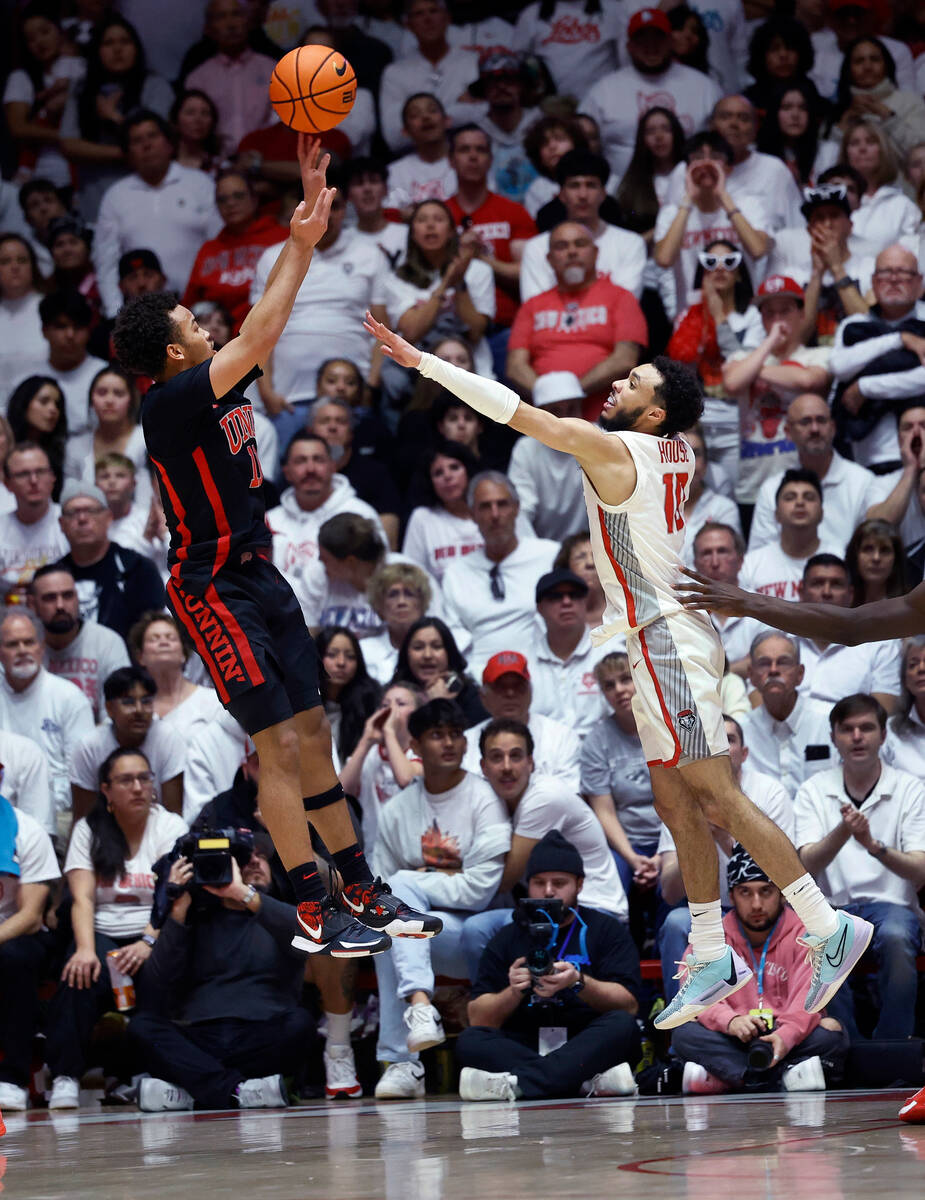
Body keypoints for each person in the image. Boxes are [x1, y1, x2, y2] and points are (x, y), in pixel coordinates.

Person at [364, 310, 865, 1032]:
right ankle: (706, 950)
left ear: (651, 411)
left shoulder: (619, 450)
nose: (616, 382)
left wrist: (424, 364)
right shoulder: (675, 454)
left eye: (632, 380)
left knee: (712, 793)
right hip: (658, 636)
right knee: (672, 800)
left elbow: (517, 412)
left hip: (667, 640)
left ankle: (823, 923)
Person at [111, 137, 436, 959]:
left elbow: (258, 335)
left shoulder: (209, 378)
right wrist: (302, 237)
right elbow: (263, 331)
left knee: (313, 732)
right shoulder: (173, 400)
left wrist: (302, 240)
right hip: (209, 585)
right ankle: (315, 905)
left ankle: (359, 888)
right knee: (276, 749)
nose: (203, 319)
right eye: (191, 321)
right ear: (177, 354)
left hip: (258, 570)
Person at [371, 699, 509, 1100]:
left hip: (475, 933)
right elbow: (380, 895)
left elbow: (480, 890)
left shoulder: (484, 798)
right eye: (436, 735)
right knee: (385, 925)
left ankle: (406, 1046)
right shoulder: (395, 811)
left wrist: (411, 880)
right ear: (414, 745)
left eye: (455, 734)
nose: (449, 743)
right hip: (418, 937)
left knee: (397, 900)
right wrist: (430, 880)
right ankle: (405, 1060)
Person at [44, 747, 188, 1110]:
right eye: (126, 780)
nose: (138, 787)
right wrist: (86, 949)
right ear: (106, 790)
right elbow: (82, 899)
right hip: (102, 931)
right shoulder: (88, 829)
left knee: (159, 977)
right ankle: (65, 1076)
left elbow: (174, 896)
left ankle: (140, 1073)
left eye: (144, 778)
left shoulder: (170, 826)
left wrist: (148, 941)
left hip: (156, 932)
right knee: (79, 975)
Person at [128, 839, 315, 1112]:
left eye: (260, 855)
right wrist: (177, 910)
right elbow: (156, 985)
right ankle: (239, 1091)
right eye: (242, 858)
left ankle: (194, 1092)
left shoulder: (280, 915)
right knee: (141, 1027)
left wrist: (244, 894)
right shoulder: (195, 918)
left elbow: (307, 934)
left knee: (302, 1024)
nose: (253, 861)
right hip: (199, 1039)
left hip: (262, 1036)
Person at [456, 829, 641, 1102]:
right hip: (528, 1042)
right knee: (469, 1041)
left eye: (559, 882)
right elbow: (478, 1017)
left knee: (624, 1027)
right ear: (527, 885)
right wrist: (513, 991)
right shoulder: (508, 937)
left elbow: (629, 1005)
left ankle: (519, 1084)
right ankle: (581, 1082)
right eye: (539, 882)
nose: (549, 891)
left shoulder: (604, 930)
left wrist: (578, 981)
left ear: (579, 884)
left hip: (585, 1040)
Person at [794, 694, 925, 1041]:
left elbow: (920, 871)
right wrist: (844, 832)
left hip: (893, 907)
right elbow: (805, 864)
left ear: (883, 735)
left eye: (866, 728)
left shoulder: (911, 788)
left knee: (897, 937)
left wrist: (872, 846)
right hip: (832, 909)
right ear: (834, 736)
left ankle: (893, 1048)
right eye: (847, 729)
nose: (856, 736)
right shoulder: (813, 789)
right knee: (818, 942)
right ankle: (846, 1048)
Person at [671, 846, 848, 1095]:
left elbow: (811, 1001)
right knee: (684, 1034)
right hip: (734, 1034)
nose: (756, 904)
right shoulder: (712, 936)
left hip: (785, 1035)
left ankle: (732, 1078)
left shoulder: (807, 934)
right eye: (745, 893)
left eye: (766, 891)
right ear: (731, 896)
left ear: (782, 894)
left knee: (831, 1032)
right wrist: (730, 1021)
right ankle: (785, 1077)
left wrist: (785, 1037)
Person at [250, 190, 390, 438]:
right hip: (288, 400)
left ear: (345, 210)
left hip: (352, 397)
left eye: (333, 206)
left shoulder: (370, 255)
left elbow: (383, 329)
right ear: (301, 210)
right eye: (317, 206)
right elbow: (258, 331)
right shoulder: (273, 258)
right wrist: (266, 391)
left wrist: (372, 384)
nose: (325, 213)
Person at [508, 222, 648, 425]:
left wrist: (570, 391)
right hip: (546, 424)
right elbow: (515, 366)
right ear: (549, 258)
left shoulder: (621, 297)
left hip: (605, 423)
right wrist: (551, 396)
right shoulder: (532, 305)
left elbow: (625, 359)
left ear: (595, 252)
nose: (572, 251)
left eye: (580, 244)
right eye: (562, 246)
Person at [93, 110, 222, 319]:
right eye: (137, 140)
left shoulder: (200, 184)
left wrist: (214, 304)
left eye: (152, 136)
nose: (146, 145)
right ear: (128, 153)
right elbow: (106, 261)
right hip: (143, 315)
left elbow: (220, 245)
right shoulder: (116, 196)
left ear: (170, 144)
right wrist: (114, 314)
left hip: (201, 310)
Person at [722, 278, 832, 515]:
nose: (777, 320)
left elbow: (807, 380)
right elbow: (731, 383)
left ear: (802, 314)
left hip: (804, 482)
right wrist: (770, 341)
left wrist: (751, 371)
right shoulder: (742, 356)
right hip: (752, 483)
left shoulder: (818, 355)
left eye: (785, 311)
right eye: (769, 313)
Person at [580, 7, 721, 179]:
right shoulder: (603, 91)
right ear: (629, 47)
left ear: (670, 42)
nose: (651, 46)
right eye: (642, 40)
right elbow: (579, 144)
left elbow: (724, 143)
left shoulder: (704, 87)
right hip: (623, 196)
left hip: (693, 189)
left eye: (658, 38)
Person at [58, 13, 175, 222]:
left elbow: (159, 147)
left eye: (125, 42)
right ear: (97, 50)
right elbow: (69, 146)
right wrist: (129, 152)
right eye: (109, 43)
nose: (117, 49)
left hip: (147, 197)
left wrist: (114, 118)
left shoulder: (156, 86)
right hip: (95, 199)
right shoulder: (82, 90)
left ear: (136, 48)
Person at [666, 239, 762, 490]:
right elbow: (679, 370)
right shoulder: (687, 317)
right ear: (702, 271)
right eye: (711, 262)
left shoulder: (752, 318)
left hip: (738, 425)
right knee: (694, 492)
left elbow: (740, 365)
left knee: (737, 496)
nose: (720, 268)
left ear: (739, 273)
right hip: (699, 425)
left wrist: (719, 317)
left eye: (729, 262)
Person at [441, 472, 558, 672]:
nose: (495, 515)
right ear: (472, 515)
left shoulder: (550, 556)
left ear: (516, 509)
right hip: (479, 676)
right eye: (485, 507)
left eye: (502, 504)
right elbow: (453, 635)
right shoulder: (456, 573)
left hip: (543, 669)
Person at [829, 244, 925, 471]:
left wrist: (866, 386)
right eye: (885, 272)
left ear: (919, 282)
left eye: (903, 272)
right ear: (872, 282)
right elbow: (839, 367)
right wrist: (899, 339)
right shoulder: (854, 326)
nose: (893, 280)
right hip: (867, 459)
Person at [748, 394, 882, 556]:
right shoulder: (772, 489)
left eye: (821, 420)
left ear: (833, 427)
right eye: (805, 422)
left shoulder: (864, 482)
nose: (814, 429)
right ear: (788, 432)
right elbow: (759, 557)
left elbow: (872, 550)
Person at [654, 132, 769, 317]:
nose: (706, 164)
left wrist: (723, 197)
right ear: (686, 169)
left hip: (743, 318)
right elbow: (664, 259)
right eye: (698, 157)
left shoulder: (748, 205)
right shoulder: (672, 213)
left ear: (729, 169)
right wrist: (689, 198)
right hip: (690, 318)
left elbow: (758, 250)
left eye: (715, 157)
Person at [580, 651, 663, 899]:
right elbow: (603, 810)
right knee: (612, 873)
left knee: (676, 874)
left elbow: (686, 802)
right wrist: (632, 858)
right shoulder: (597, 741)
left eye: (626, 679)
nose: (618, 689)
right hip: (625, 841)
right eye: (609, 685)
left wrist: (661, 856)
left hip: (672, 839)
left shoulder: (668, 729)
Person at [518, 151, 647, 306]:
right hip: (552, 330)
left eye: (591, 185)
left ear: (604, 193)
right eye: (574, 186)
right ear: (561, 195)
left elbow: (625, 305)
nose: (583, 194)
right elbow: (535, 308)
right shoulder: (537, 248)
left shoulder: (630, 244)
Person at [0, 784, 59, 1114]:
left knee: (14, 958)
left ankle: (12, 1079)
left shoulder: (26, 830)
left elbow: (32, 917)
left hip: (16, 931)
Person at [69, 665, 187, 820]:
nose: (139, 710)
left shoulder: (168, 739)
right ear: (109, 708)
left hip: (158, 832)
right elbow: (84, 817)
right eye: (128, 702)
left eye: (146, 701)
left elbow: (174, 813)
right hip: (105, 831)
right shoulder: (90, 746)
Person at [54, 481, 166, 639]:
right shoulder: (53, 577)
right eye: (73, 513)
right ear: (61, 524)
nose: (82, 519)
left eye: (91, 511)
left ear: (108, 518)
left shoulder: (137, 569)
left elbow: (150, 635)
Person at [267, 433, 387, 578]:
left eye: (318, 460)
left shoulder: (360, 515)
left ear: (332, 467)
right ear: (287, 472)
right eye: (300, 461)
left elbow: (379, 577)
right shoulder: (270, 521)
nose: (310, 469)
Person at [182, 170, 287, 334]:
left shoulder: (282, 238)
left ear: (254, 199)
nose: (230, 203)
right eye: (222, 199)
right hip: (218, 343)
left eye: (238, 196)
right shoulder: (208, 250)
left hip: (271, 334)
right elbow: (189, 306)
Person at [794, 554, 901, 712]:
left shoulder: (879, 643)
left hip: (851, 733)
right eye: (817, 584)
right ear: (801, 591)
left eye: (836, 584)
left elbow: (883, 714)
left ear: (850, 594)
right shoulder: (780, 638)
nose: (826, 592)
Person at [462, 651, 583, 789]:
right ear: (483, 697)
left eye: (518, 686)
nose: (510, 693)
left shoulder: (561, 737)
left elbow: (568, 797)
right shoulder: (466, 742)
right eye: (501, 687)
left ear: (530, 692)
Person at [29, 562, 130, 719]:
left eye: (68, 595)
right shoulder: (22, 645)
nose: (60, 605)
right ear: (33, 605)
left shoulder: (107, 643)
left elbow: (117, 716)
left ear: (78, 598)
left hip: (96, 739)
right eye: (50, 598)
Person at [378, 0, 480, 151]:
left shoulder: (473, 61)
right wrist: (457, 107)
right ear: (408, 25)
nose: (428, 19)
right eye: (419, 14)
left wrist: (418, 119)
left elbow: (485, 114)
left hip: (469, 151)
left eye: (433, 11)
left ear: (447, 18)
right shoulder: (395, 73)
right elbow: (394, 136)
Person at [184, 0, 277, 158]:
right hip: (215, 162)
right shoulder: (197, 79)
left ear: (248, 21)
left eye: (237, 15)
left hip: (267, 161)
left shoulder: (274, 70)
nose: (231, 24)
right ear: (209, 28)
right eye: (221, 17)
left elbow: (281, 125)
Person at [524, 568, 608, 738]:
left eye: (575, 595)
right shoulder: (524, 663)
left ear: (585, 603)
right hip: (545, 755)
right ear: (540, 608)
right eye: (555, 597)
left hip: (605, 754)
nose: (567, 602)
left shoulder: (610, 652)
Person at [339, 681, 424, 847]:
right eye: (385, 705)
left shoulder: (421, 751)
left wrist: (389, 732)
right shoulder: (369, 754)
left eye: (400, 704)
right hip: (372, 852)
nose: (391, 710)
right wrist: (366, 740)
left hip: (410, 850)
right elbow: (342, 792)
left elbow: (406, 779)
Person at [506, 374, 587, 539]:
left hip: (595, 550)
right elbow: (522, 510)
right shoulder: (526, 449)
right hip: (542, 551)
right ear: (540, 413)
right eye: (556, 411)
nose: (565, 419)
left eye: (571, 409)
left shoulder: (601, 437)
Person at [738, 469, 837, 600]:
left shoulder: (840, 557)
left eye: (809, 497)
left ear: (821, 513)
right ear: (776, 514)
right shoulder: (750, 565)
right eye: (790, 498)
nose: (800, 503)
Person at [833, 36, 925, 162]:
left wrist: (888, 117)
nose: (867, 66)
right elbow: (828, 162)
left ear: (887, 65)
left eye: (875, 59)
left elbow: (920, 154)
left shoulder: (910, 102)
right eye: (859, 61)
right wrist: (844, 123)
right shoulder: (839, 109)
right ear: (848, 70)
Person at [0, 443, 69, 604]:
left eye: (40, 471)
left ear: (53, 477)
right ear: (7, 484)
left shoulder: (71, 521)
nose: (33, 480)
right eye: (23, 474)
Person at [391, 616, 487, 728]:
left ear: (449, 653)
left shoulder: (470, 696)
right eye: (418, 647)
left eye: (436, 647)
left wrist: (442, 704)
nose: (427, 655)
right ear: (406, 655)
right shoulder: (391, 695)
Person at [842, 118, 921, 250]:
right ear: (846, 153)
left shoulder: (902, 206)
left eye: (871, 142)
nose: (862, 148)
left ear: (882, 150)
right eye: (855, 143)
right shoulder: (833, 203)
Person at [756, 80, 840, 188]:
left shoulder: (829, 151)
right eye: (786, 107)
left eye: (803, 108)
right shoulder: (756, 154)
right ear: (774, 114)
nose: (795, 115)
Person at [359, 562, 432, 685]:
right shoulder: (363, 651)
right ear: (380, 605)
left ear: (421, 603)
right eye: (393, 595)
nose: (401, 602)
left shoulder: (435, 651)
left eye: (409, 594)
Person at [678, 425, 741, 565]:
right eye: (682, 454)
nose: (690, 462)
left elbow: (728, 564)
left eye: (696, 454)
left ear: (706, 463)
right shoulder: (655, 507)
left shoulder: (724, 508)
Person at [385, 93, 457, 213]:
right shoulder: (393, 173)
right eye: (415, 115)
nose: (425, 117)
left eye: (432, 111)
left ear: (447, 121)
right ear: (405, 131)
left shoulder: (468, 163)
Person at [7, 376, 68, 499]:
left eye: (57, 404)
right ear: (24, 403)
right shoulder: (4, 446)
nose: (53, 409)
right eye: (44, 401)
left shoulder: (62, 452)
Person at [0, 234, 47, 389]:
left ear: (33, 265)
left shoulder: (49, 308)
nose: (15, 267)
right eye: (5, 261)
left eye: (22, 260)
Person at [845, 519, 910, 605]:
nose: (876, 558)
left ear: (896, 558)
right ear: (855, 555)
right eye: (868, 549)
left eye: (885, 550)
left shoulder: (910, 605)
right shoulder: (841, 601)